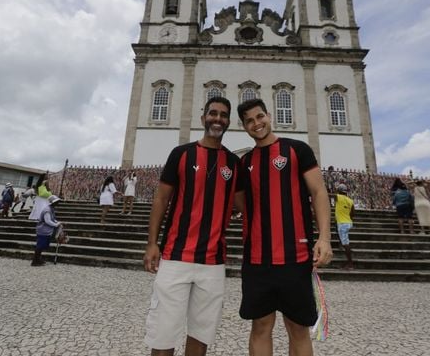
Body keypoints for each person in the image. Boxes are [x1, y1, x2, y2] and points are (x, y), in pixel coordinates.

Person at [234, 99, 333, 356]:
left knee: (298, 328)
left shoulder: (297, 149)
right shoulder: (245, 163)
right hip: (257, 260)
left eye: (260, 117)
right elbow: (242, 203)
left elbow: (318, 192)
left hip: (295, 257)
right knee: (260, 326)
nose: (257, 124)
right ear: (243, 126)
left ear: (269, 115)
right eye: (249, 121)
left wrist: (324, 238)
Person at [142, 97, 239, 355]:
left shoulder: (233, 163)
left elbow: (247, 206)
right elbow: (161, 198)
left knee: (200, 335)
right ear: (203, 118)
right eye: (213, 113)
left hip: (213, 262)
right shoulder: (181, 154)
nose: (218, 119)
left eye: (223, 115)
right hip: (176, 256)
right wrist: (152, 243)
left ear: (229, 122)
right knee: (163, 335)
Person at [31, 195, 63, 266]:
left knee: (42, 246)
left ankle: (38, 259)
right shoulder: (47, 210)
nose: (58, 203)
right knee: (40, 246)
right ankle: (35, 261)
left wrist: (57, 222)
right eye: (57, 202)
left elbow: (52, 219)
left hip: (46, 230)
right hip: (43, 230)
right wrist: (56, 224)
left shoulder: (51, 209)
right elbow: (48, 221)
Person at [332, 184, 355, 269]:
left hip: (342, 224)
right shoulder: (350, 200)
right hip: (348, 222)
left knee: (346, 243)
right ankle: (342, 244)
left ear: (339, 191)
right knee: (343, 239)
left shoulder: (338, 197)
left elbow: (327, 195)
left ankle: (350, 263)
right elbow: (353, 213)